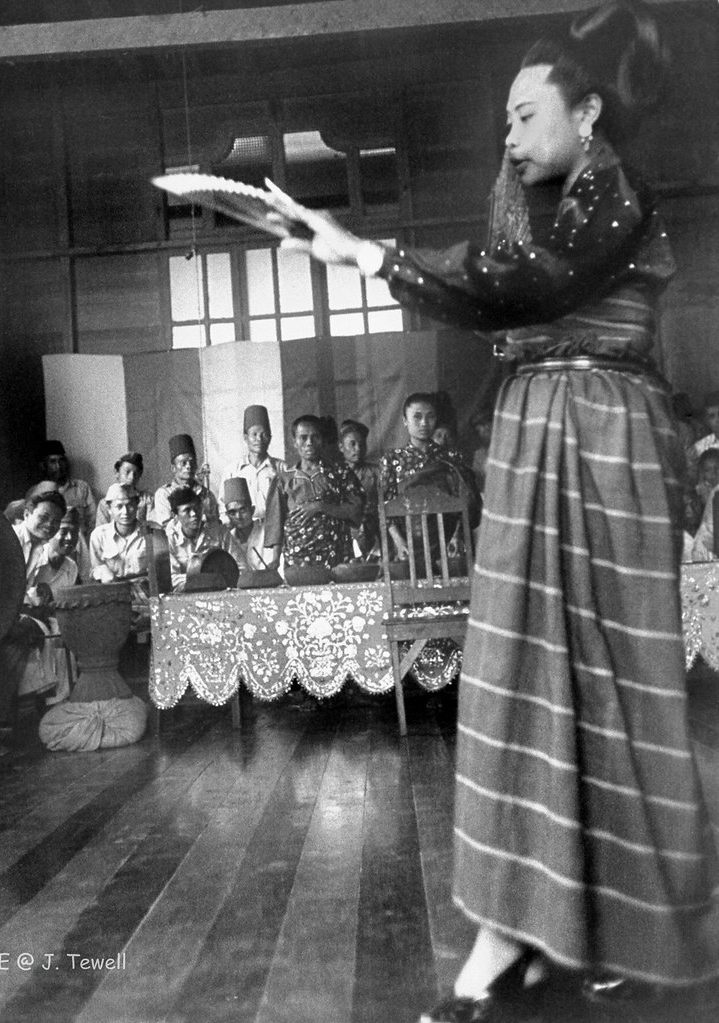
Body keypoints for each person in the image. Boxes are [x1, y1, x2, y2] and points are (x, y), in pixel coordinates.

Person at [281, 1, 719, 1015]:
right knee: (522, 678)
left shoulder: (619, 198)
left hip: (606, 440)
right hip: (531, 438)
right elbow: (501, 284)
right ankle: (512, 940)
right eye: (505, 122)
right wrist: (371, 260)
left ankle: (618, 926)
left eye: (528, 116)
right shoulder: (526, 203)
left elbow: (523, 284)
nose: (510, 136)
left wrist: (374, 259)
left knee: (616, 686)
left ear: (591, 114)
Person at [0, 489, 68, 727]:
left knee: (43, 630)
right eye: (43, 517)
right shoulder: (9, 539)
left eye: (56, 522)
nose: (49, 525)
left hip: (9, 612)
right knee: (21, 637)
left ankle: (33, 705)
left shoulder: (39, 548)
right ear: (27, 513)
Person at [380, 392, 480, 561]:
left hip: (448, 543)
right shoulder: (392, 460)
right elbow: (384, 506)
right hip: (406, 545)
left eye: (430, 417)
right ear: (405, 421)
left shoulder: (451, 457)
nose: (424, 423)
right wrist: (399, 542)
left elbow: (466, 503)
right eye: (417, 417)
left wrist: (457, 536)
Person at [264, 414, 364, 569]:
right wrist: (275, 560)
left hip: (336, 556)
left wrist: (321, 506)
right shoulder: (283, 480)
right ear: (294, 442)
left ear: (322, 440)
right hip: (297, 562)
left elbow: (356, 510)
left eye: (315, 437)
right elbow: (276, 522)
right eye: (303, 438)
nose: (309, 443)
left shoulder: (340, 474)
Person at [223, 405, 286, 522]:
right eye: (254, 434)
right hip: (243, 531)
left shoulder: (282, 468)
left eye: (264, 434)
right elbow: (223, 508)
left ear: (270, 438)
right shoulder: (232, 470)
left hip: (275, 530)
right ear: (245, 438)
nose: (259, 439)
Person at [165, 487, 235, 591]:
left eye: (197, 508)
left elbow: (240, 566)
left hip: (222, 592)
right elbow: (171, 578)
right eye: (187, 510)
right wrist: (202, 580)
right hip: (185, 595)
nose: (194, 514)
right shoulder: (170, 539)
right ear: (175, 515)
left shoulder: (220, 532)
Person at [152, 434, 220, 527]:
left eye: (192, 462)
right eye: (183, 463)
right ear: (173, 468)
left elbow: (215, 525)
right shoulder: (164, 494)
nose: (189, 466)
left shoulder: (206, 494)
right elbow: (167, 527)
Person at [89, 483, 148, 583]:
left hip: (145, 592)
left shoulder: (151, 533)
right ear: (109, 509)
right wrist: (101, 572)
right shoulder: (99, 536)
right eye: (119, 506)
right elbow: (95, 570)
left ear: (137, 505)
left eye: (130, 505)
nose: (125, 512)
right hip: (113, 592)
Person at [36, 440, 97, 536]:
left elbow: (93, 520)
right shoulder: (38, 492)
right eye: (52, 462)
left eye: (61, 461)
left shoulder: (81, 487)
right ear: (44, 466)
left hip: (80, 544)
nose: (58, 466)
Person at [338, 419, 379, 558]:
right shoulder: (334, 475)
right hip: (345, 532)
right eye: (352, 444)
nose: (358, 449)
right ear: (341, 447)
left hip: (374, 530)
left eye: (362, 444)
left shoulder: (377, 472)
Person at [223, 476, 279, 571]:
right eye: (233, 512)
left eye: (243, 510)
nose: (238, 517)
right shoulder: (228, 539)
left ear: (252, 510)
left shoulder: (266, 532)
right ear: (227, 515)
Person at [95, 452, 155, 527]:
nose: (132, 477)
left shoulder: (148, 499)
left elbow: (153, 528)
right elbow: (101, 532)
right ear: (116, 473)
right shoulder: (105, 504)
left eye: (136, 473)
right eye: (127, 472)